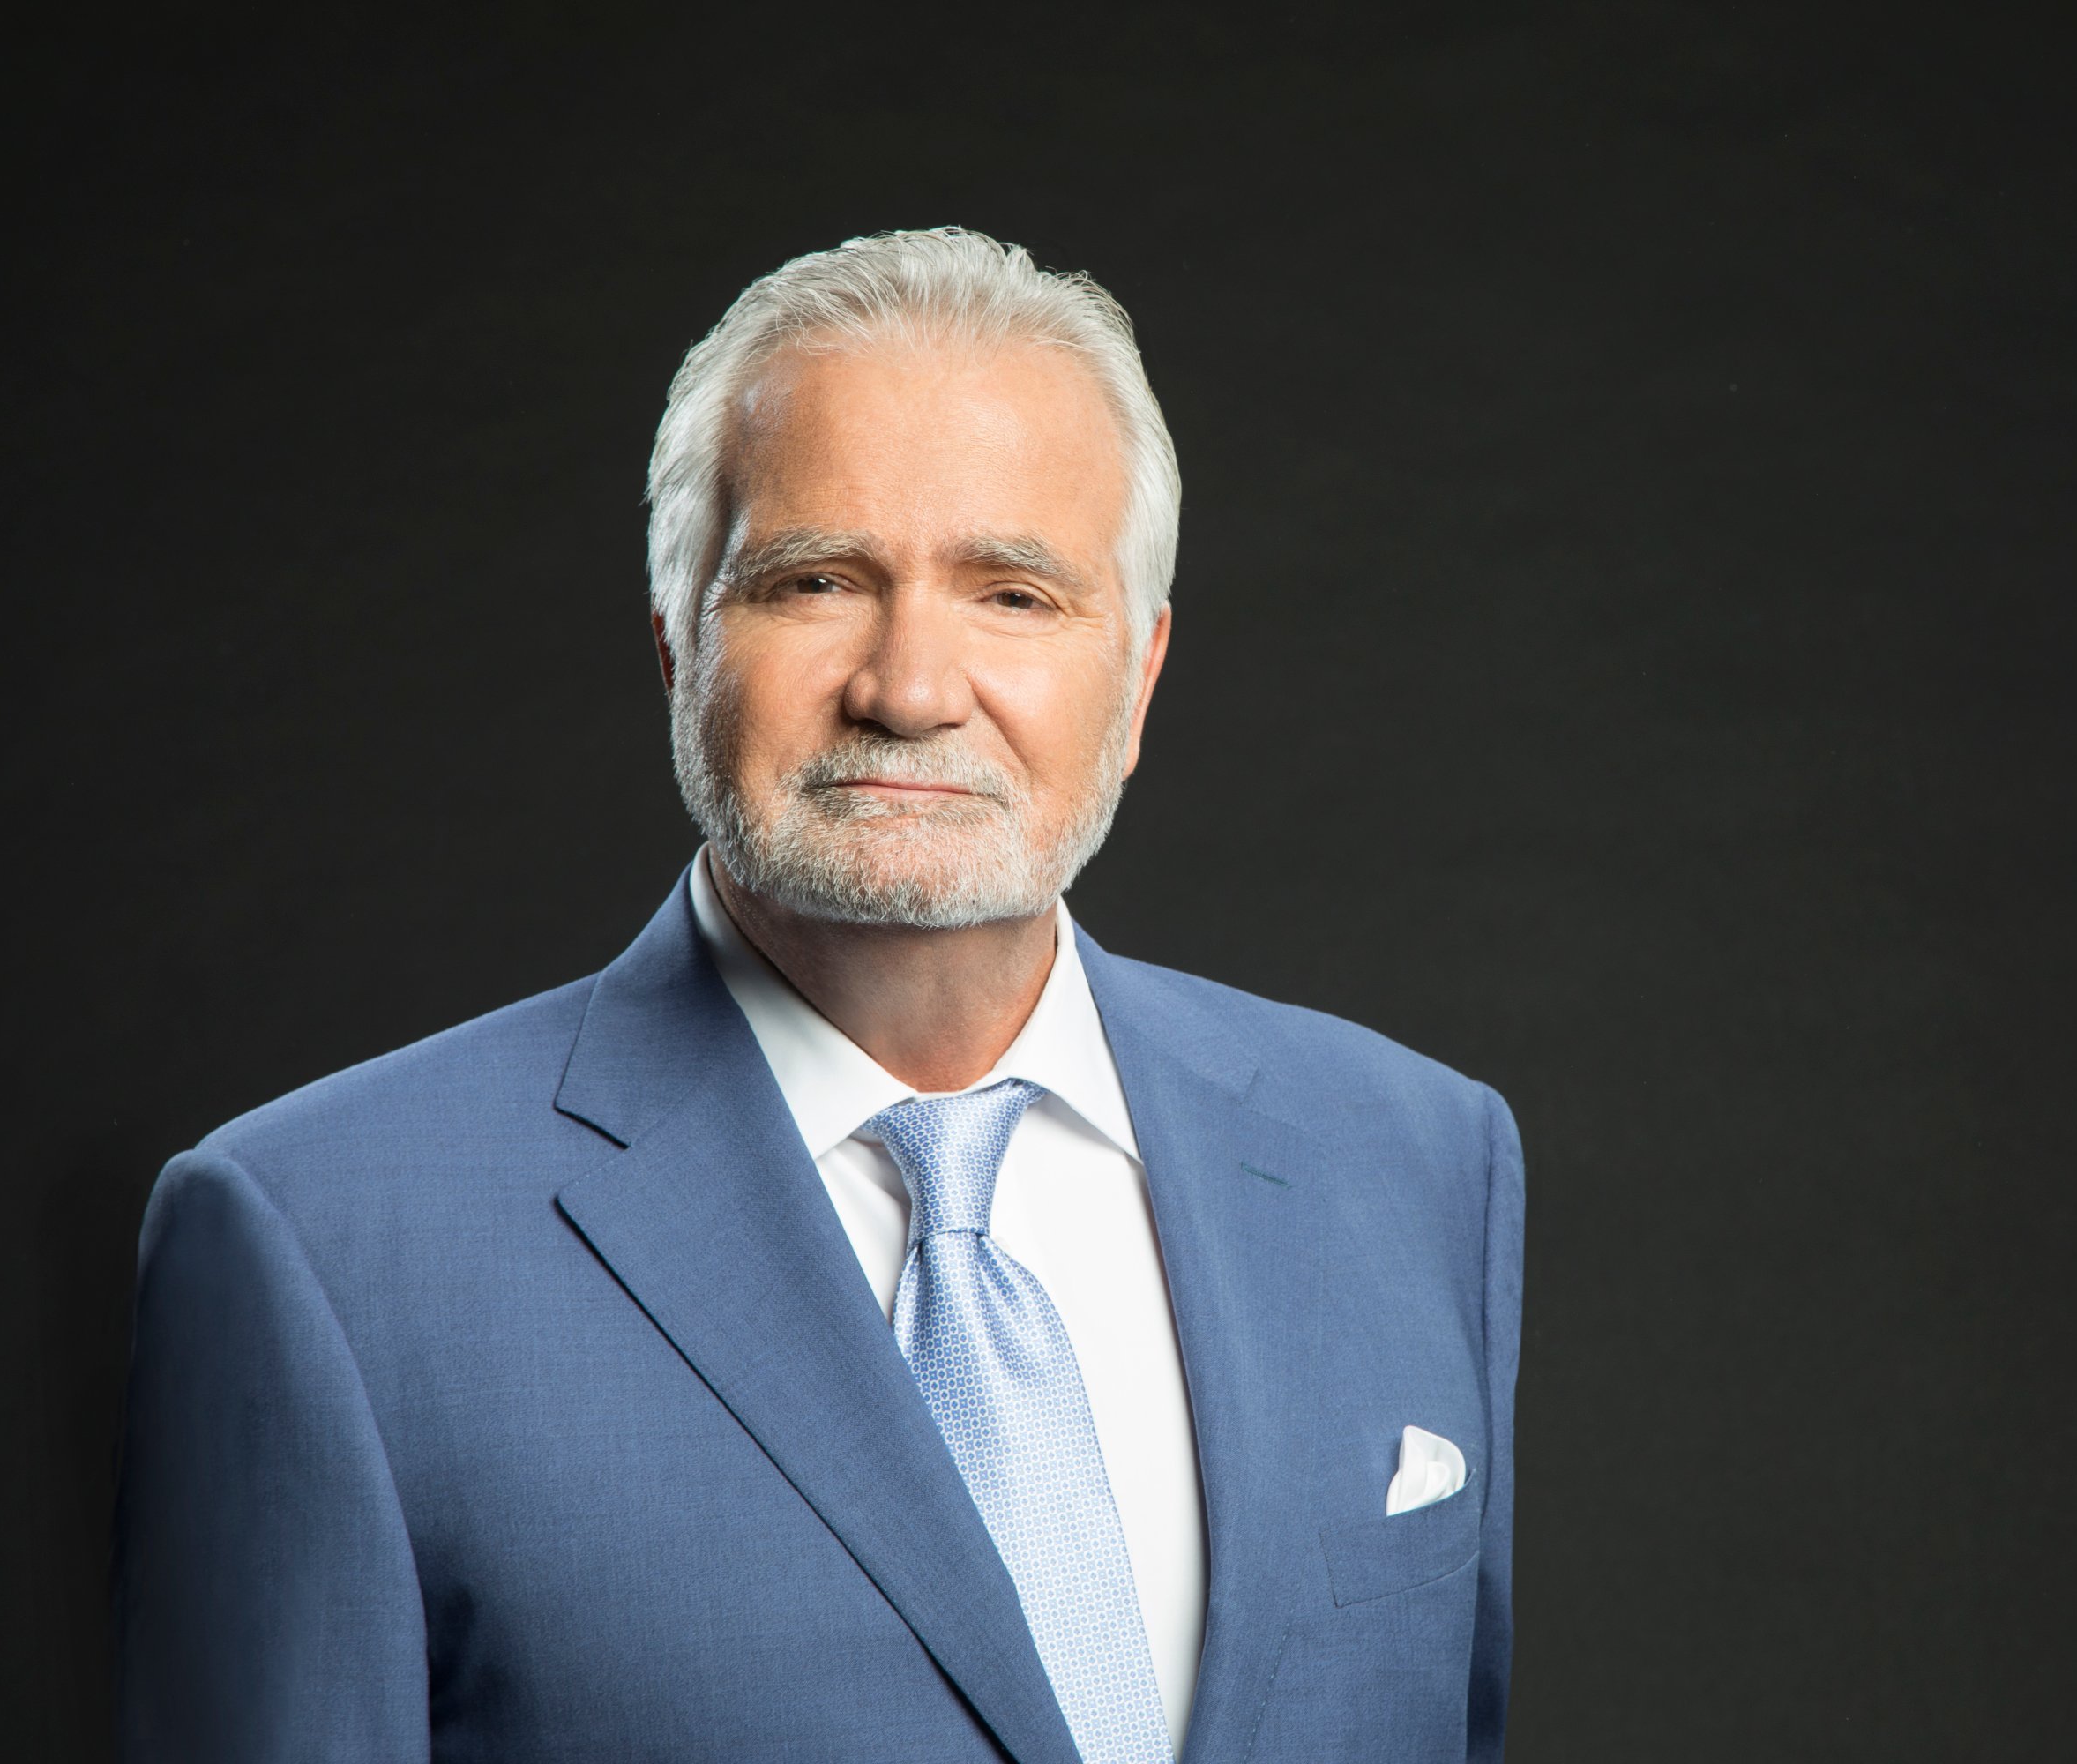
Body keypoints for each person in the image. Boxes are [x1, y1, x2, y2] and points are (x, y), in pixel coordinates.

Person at [114, 228, 1524, 1763]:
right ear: (678, 649)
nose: (910, 688)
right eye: (816, 581)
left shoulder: (1417, 1158)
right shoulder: (317, 1242)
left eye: (1015, 595)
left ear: (1141, 678)